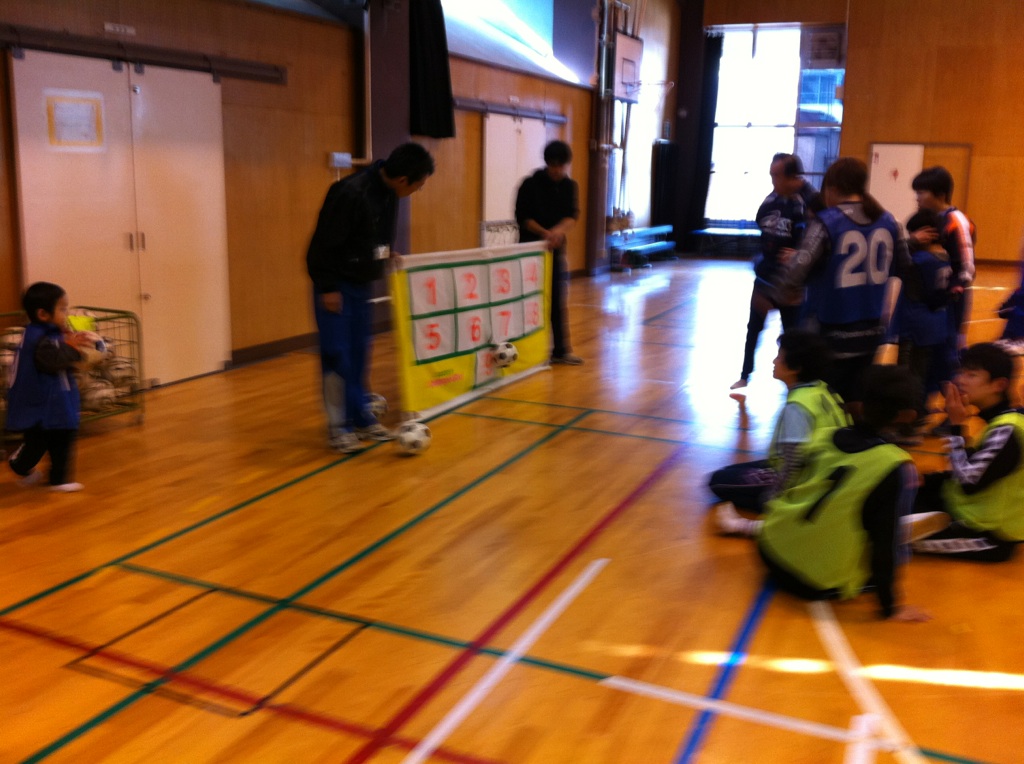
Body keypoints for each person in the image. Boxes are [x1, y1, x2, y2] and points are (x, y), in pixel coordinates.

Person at [724, 366, 932, 622]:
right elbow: (883, 545)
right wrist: (891, 607)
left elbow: (790, 488)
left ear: (861, 403)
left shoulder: (825, 435)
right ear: (907, 416)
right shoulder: (894, 465)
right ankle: (905, 531)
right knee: (890, 550)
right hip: (810, 580)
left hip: (769, 549)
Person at [306, 142, 435, 453]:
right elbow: (322, 246)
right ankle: (339, 427)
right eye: (418, 185)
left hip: (361, 285)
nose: (416, 191)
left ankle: (361, 417)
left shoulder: (390, 194)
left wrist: (385, 253)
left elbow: (373, 233)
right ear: (404, 179)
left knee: (359, 353)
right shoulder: (349, 192)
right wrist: (328, 287)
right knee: (337, 355)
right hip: (336, 287)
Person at [775, 157, 911, 410]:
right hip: (872, 331)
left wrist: (785, 288)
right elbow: (906, 268)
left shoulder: (827, 221)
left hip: (830, 333)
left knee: (824, 402)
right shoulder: (889, 221)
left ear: (832, 187)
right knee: (856, 401)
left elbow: (795, 274)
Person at [711, 329, 850, 516]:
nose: (774, 361)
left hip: (805, 480)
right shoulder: (822, 389)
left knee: (718, 481)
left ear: (795, 368)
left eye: (779, 357)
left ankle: (795, 507)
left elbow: (792, 463)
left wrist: (774, 500)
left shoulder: (798, 406)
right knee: (732, 471)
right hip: (826, 474)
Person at [911, 343, 1024, 561]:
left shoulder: (1008, 430)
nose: (960, 380)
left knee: (891, 537)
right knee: (905, 493)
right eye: (961, 372)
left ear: (999, 384)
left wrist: (956, 427)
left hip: (988, 535)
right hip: (967, 511)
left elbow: (968, 483)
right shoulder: (1002, 422)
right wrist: (926, 480)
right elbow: (976, 466)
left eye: (971, 375)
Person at [731, 154, 816, 392]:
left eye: (776, 175)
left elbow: (817, 241)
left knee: (792, 336)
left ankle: (796, 382)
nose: (772, 180)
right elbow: (764, 229)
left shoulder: (809, 200)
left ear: (792, 177)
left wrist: (799, 254)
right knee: (753, 329)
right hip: (766, 279)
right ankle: (745, 375)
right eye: (771, 175)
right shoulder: (772, 199)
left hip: (792, 284)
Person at [6, 282, 94, 492]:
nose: (66, 313)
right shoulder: (38, 337)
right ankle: (20, 464)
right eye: (62, 309)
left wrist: (71, 341)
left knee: (64, 437)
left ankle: (59, 479)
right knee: (38, 442)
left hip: (57, 401)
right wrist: (74, 349)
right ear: (43, 314)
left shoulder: (50, 332)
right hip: (42, 405)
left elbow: (59, 351)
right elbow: (53, 360)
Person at [515, 140, 583, 365]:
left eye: (561, 165)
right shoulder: (529, 184)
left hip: (554, 250)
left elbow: (572, 215)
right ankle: (524, 350)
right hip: (529, 249)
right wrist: (544, 233)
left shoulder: (569, 186)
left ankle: (561, 350)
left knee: (556, 298)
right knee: (526, 298)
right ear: (546, 163)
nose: (557, 170)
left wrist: (557, 232)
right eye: (553, 165)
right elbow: (522, 217)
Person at [909, 166, 976, 368]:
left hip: (949, 302)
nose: (917, 198)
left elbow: (966, 268)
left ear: (940, 194)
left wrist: (949, 295)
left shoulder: (957, 222)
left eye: (921, 193)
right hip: (931, 301)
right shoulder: (931, 219)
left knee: (945, 358)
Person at [894, 209, 954, 417]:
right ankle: (919, 414)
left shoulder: (920, 260)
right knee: (922, 373)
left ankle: (908, 418)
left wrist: (909, 243)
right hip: (935, 324)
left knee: (906, 375)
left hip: (915, 325)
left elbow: (893, 261)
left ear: (925, 233)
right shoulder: (945, 257)